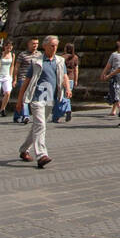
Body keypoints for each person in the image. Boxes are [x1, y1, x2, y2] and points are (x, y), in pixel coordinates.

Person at [16, 34, 70, 168]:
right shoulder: (37, 62)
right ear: (45, 46)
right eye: (52, 45)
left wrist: (68, 89)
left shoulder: (59, 61)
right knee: (41, 125)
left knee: (37, 126)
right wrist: (20, 100)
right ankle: (41, 155)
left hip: (50, 98)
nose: (54, 48)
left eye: (56, 46)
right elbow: (27, 82)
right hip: (37, 98)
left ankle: (23, 150)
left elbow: (64, 76)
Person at [13, 37, 39, 123]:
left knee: (30, 98)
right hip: (23, 79)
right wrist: (15, 79)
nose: (35, 45)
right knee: (24, 97)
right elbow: (17, 67)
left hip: (34, 80)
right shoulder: (22, 54)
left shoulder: (39, 55)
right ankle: (26, 116)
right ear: (28, 44)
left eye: (36, 43)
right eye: (33, 43)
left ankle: (17, 115)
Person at [101, 39, 120, 117]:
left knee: (114, 91)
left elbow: (108, 66)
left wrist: (103, 73)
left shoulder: (114, 55)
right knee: (119, 90)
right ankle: (113, 110)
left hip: (115, 74)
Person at [0, 39, 15, 116]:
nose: (9, 48)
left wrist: (11, 76)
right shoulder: (0, 54)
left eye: (10, 47)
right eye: (8, 47)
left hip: (7, 76)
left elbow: (12, 65)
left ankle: (2, 108)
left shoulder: (12, 55)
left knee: (8, 92)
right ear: (4, 47)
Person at [62, 43, 79, 122]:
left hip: (63, 78)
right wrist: (76, 80)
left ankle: (65, 110)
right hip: (71, 78)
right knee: (68, 95)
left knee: (62, 96)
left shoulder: (62, 57)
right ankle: (68, 110)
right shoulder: (75, 57)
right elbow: (76, 70)